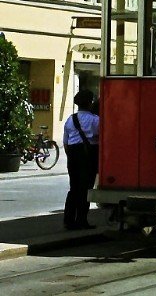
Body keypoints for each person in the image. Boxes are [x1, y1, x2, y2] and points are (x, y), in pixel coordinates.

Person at [63, 89, 100, 230]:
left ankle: (69, 220)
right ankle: (82, 220)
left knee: (74, 188)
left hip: (72, 155)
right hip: (88, 156)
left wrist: (71, 157)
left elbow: (66, 142)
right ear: (90, 103)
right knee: (86, 189)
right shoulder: (95, 120)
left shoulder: (70, 120)